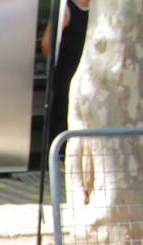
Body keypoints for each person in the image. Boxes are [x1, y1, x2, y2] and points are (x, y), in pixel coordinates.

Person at [42, 0, 90, 152]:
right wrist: (54, 67)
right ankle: (58, 158)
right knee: (62, 115)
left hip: (90, 75)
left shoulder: (99, 8)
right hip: (66, 73)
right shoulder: (66, 8)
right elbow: (46, 44)